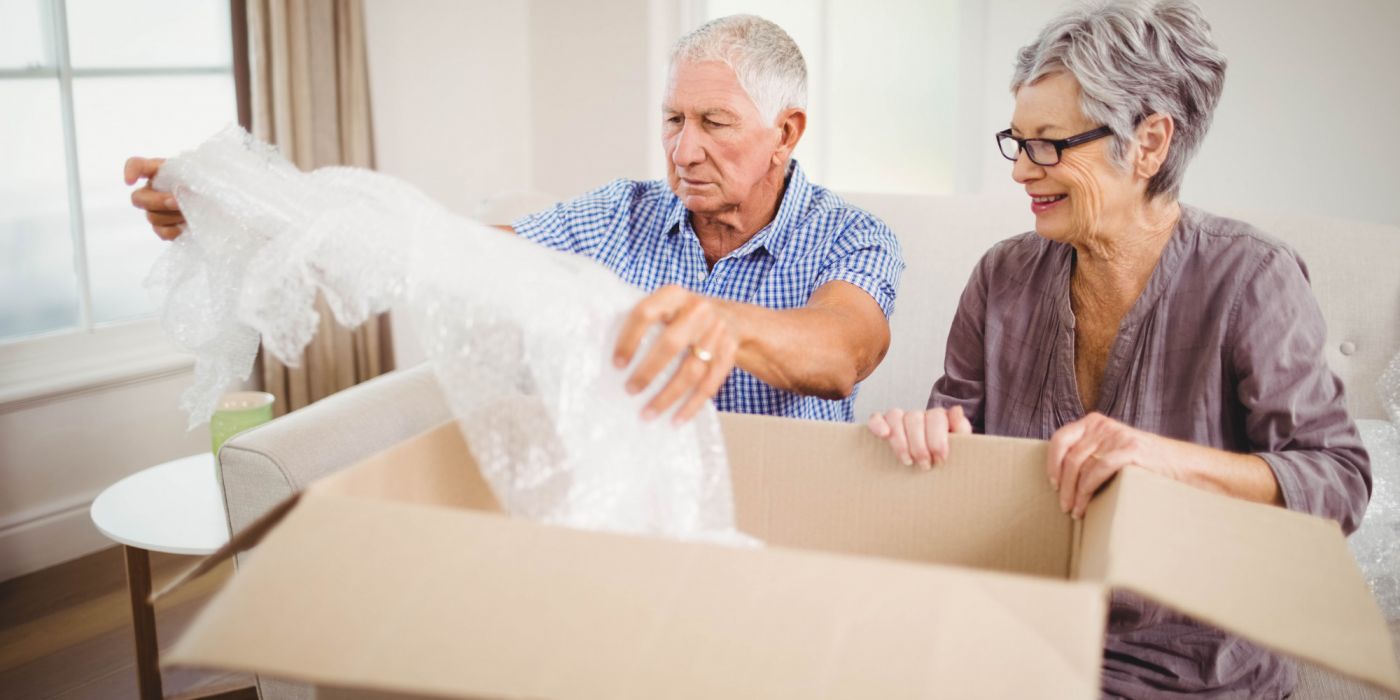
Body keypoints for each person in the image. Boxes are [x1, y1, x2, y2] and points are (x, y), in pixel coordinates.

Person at [866, 1, 1369, 697]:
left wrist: (1165, 460)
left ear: (1149, 143)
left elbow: (1339, 482)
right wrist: (923, 440)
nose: (1022, 171)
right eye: (1017, 141)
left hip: (1191, 669)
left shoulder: (1251, 277)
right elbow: (957, 448)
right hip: (1018, 639)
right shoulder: (1002, 275)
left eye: (1050, 143)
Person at [124, 15, 904, 425]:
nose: (684, 150)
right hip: (638, 519)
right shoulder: (617, 214)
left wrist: (715, 322)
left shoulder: (852, 236)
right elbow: (442, 249)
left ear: (788, 132)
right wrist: (253, 216)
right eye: (672, 119)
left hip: (784, 513)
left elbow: (842, 350)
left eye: (715, 122)